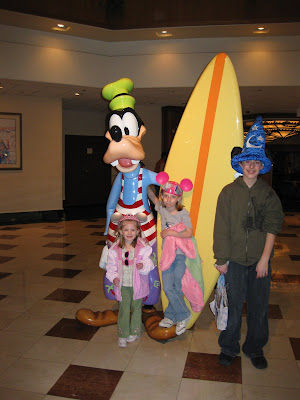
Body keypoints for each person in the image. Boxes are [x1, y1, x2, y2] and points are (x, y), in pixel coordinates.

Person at [213, 116, 284, 370]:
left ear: (261, 166)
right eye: (248, 162)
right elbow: (220, 228)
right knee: (233, 306)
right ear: (241, 164)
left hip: (259, 262)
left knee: (258, 307)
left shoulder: (268, 194)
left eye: (256, 162)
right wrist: (221, 260)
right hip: (232, 261)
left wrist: (264, 259)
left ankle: (254, 347)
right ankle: (229, 346)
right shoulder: (228, 193)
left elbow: (272, 226)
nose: (251, 166)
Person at [147, 180, 195, 335]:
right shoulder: (162, 209)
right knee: (168, 287)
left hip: (179, 256)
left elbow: (189, 232)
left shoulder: (183, 213)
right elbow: (151, 196)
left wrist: (170, 233)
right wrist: (142, 178)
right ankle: (175, 315)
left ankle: (178, 315)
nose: (168, 199)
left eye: (172, 197)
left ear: (179, 199)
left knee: (176, 286)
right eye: (165, 196)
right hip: (167, 256)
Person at [105, 214, 155, 348]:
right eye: (126, 230)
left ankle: (135, 331)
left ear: (138, 231)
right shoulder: (115, 249)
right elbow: (110, 267)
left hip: (137, 285)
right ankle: (122, 334)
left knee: (136, 308)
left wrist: (143, 266)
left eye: (133, 230)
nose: (129, 233)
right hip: (123, 286)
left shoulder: (142, 247)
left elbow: (150, 263)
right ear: (120, 231)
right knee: (124, 309)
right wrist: (114, 277)